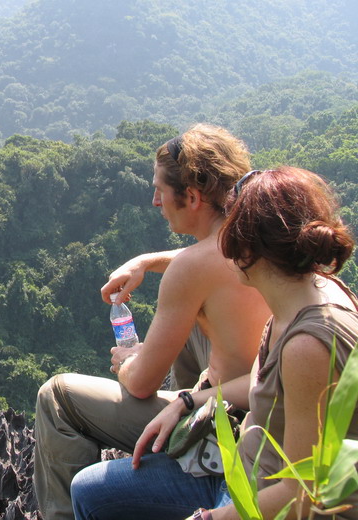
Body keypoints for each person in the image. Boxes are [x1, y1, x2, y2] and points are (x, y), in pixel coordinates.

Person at [70, 166, 358, 520]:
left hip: (256, 500)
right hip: (243, 469)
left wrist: (209, 517)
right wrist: (188, 401)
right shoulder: (307, 294)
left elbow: (303, 495)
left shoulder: (307, 346)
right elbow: (264, 385)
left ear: (245, 250)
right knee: (89, 490)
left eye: (226, 234)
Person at [34, 124, 271, 520]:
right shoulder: (261, 238)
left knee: (56, 396)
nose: (155, 200)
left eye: (161, 190)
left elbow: (142, 383)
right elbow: (205, 260)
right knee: (193, 323)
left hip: (222, 425)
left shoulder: (191, 271)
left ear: (191, 197)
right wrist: (146, 261)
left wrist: (130, 361)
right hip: (255, 410)